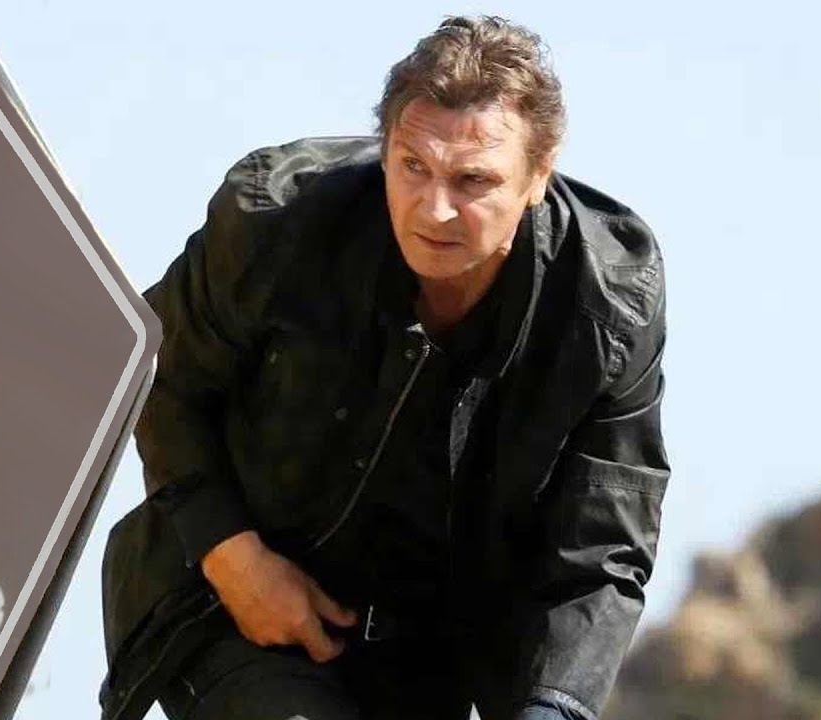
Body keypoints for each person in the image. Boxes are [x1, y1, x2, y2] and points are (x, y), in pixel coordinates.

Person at [99, 15, 669, 720]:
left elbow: (603, 543)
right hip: (227, 607)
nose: (435, 209)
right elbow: (158, 373)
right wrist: (233, 557)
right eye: (412, 166)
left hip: (433, 664)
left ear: (538, 175)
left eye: (473, 180)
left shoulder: (610, 299)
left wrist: (551, 708)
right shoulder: (275, 219)